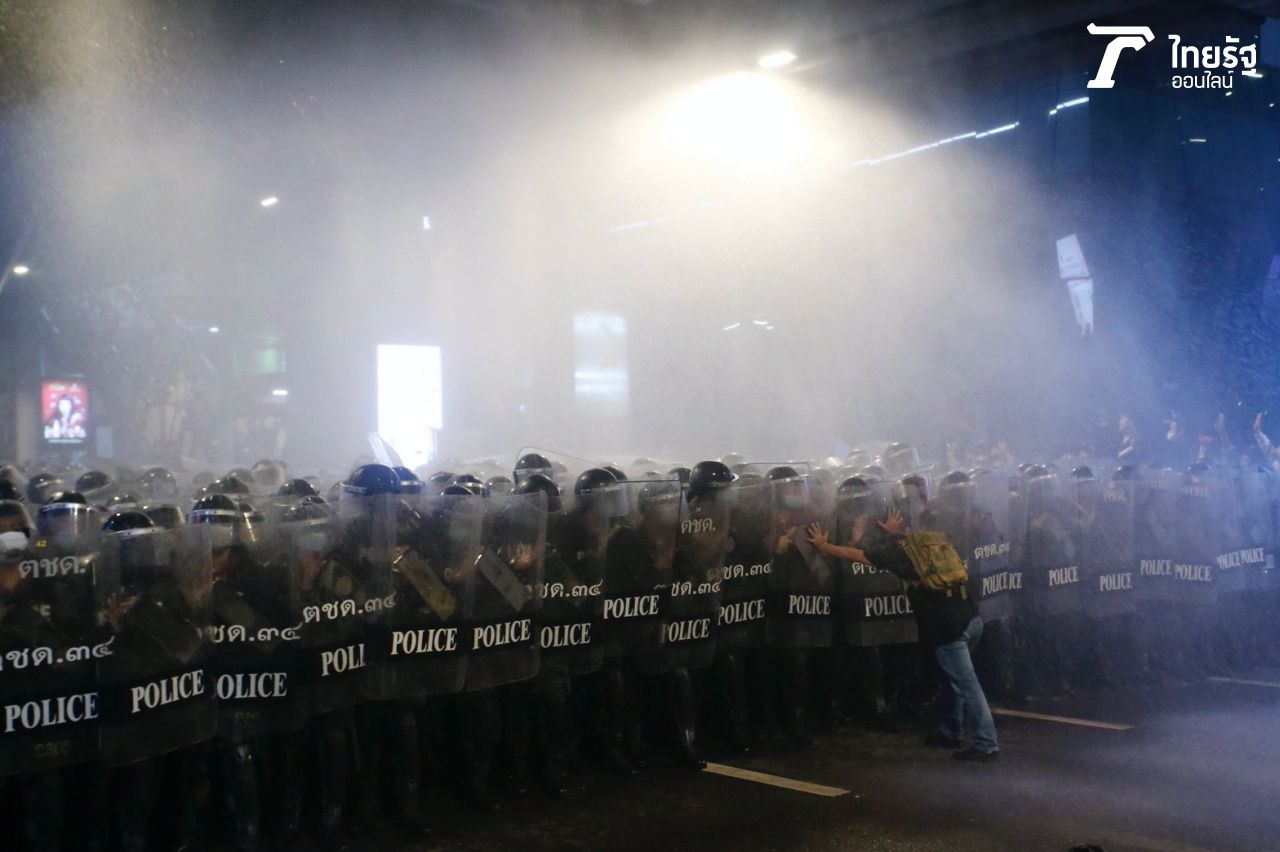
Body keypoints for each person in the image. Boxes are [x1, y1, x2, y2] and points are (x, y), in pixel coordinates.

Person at [808, 506, 1000, 762]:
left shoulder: (900, 555)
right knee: (952, 679)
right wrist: (891, 532)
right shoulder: (935, 542)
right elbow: (900, 542)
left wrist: (824, 546)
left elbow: (856, 554)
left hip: (947, 627)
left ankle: (986, 742)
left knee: (966, 684)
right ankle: (951, 731)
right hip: (971, 618)